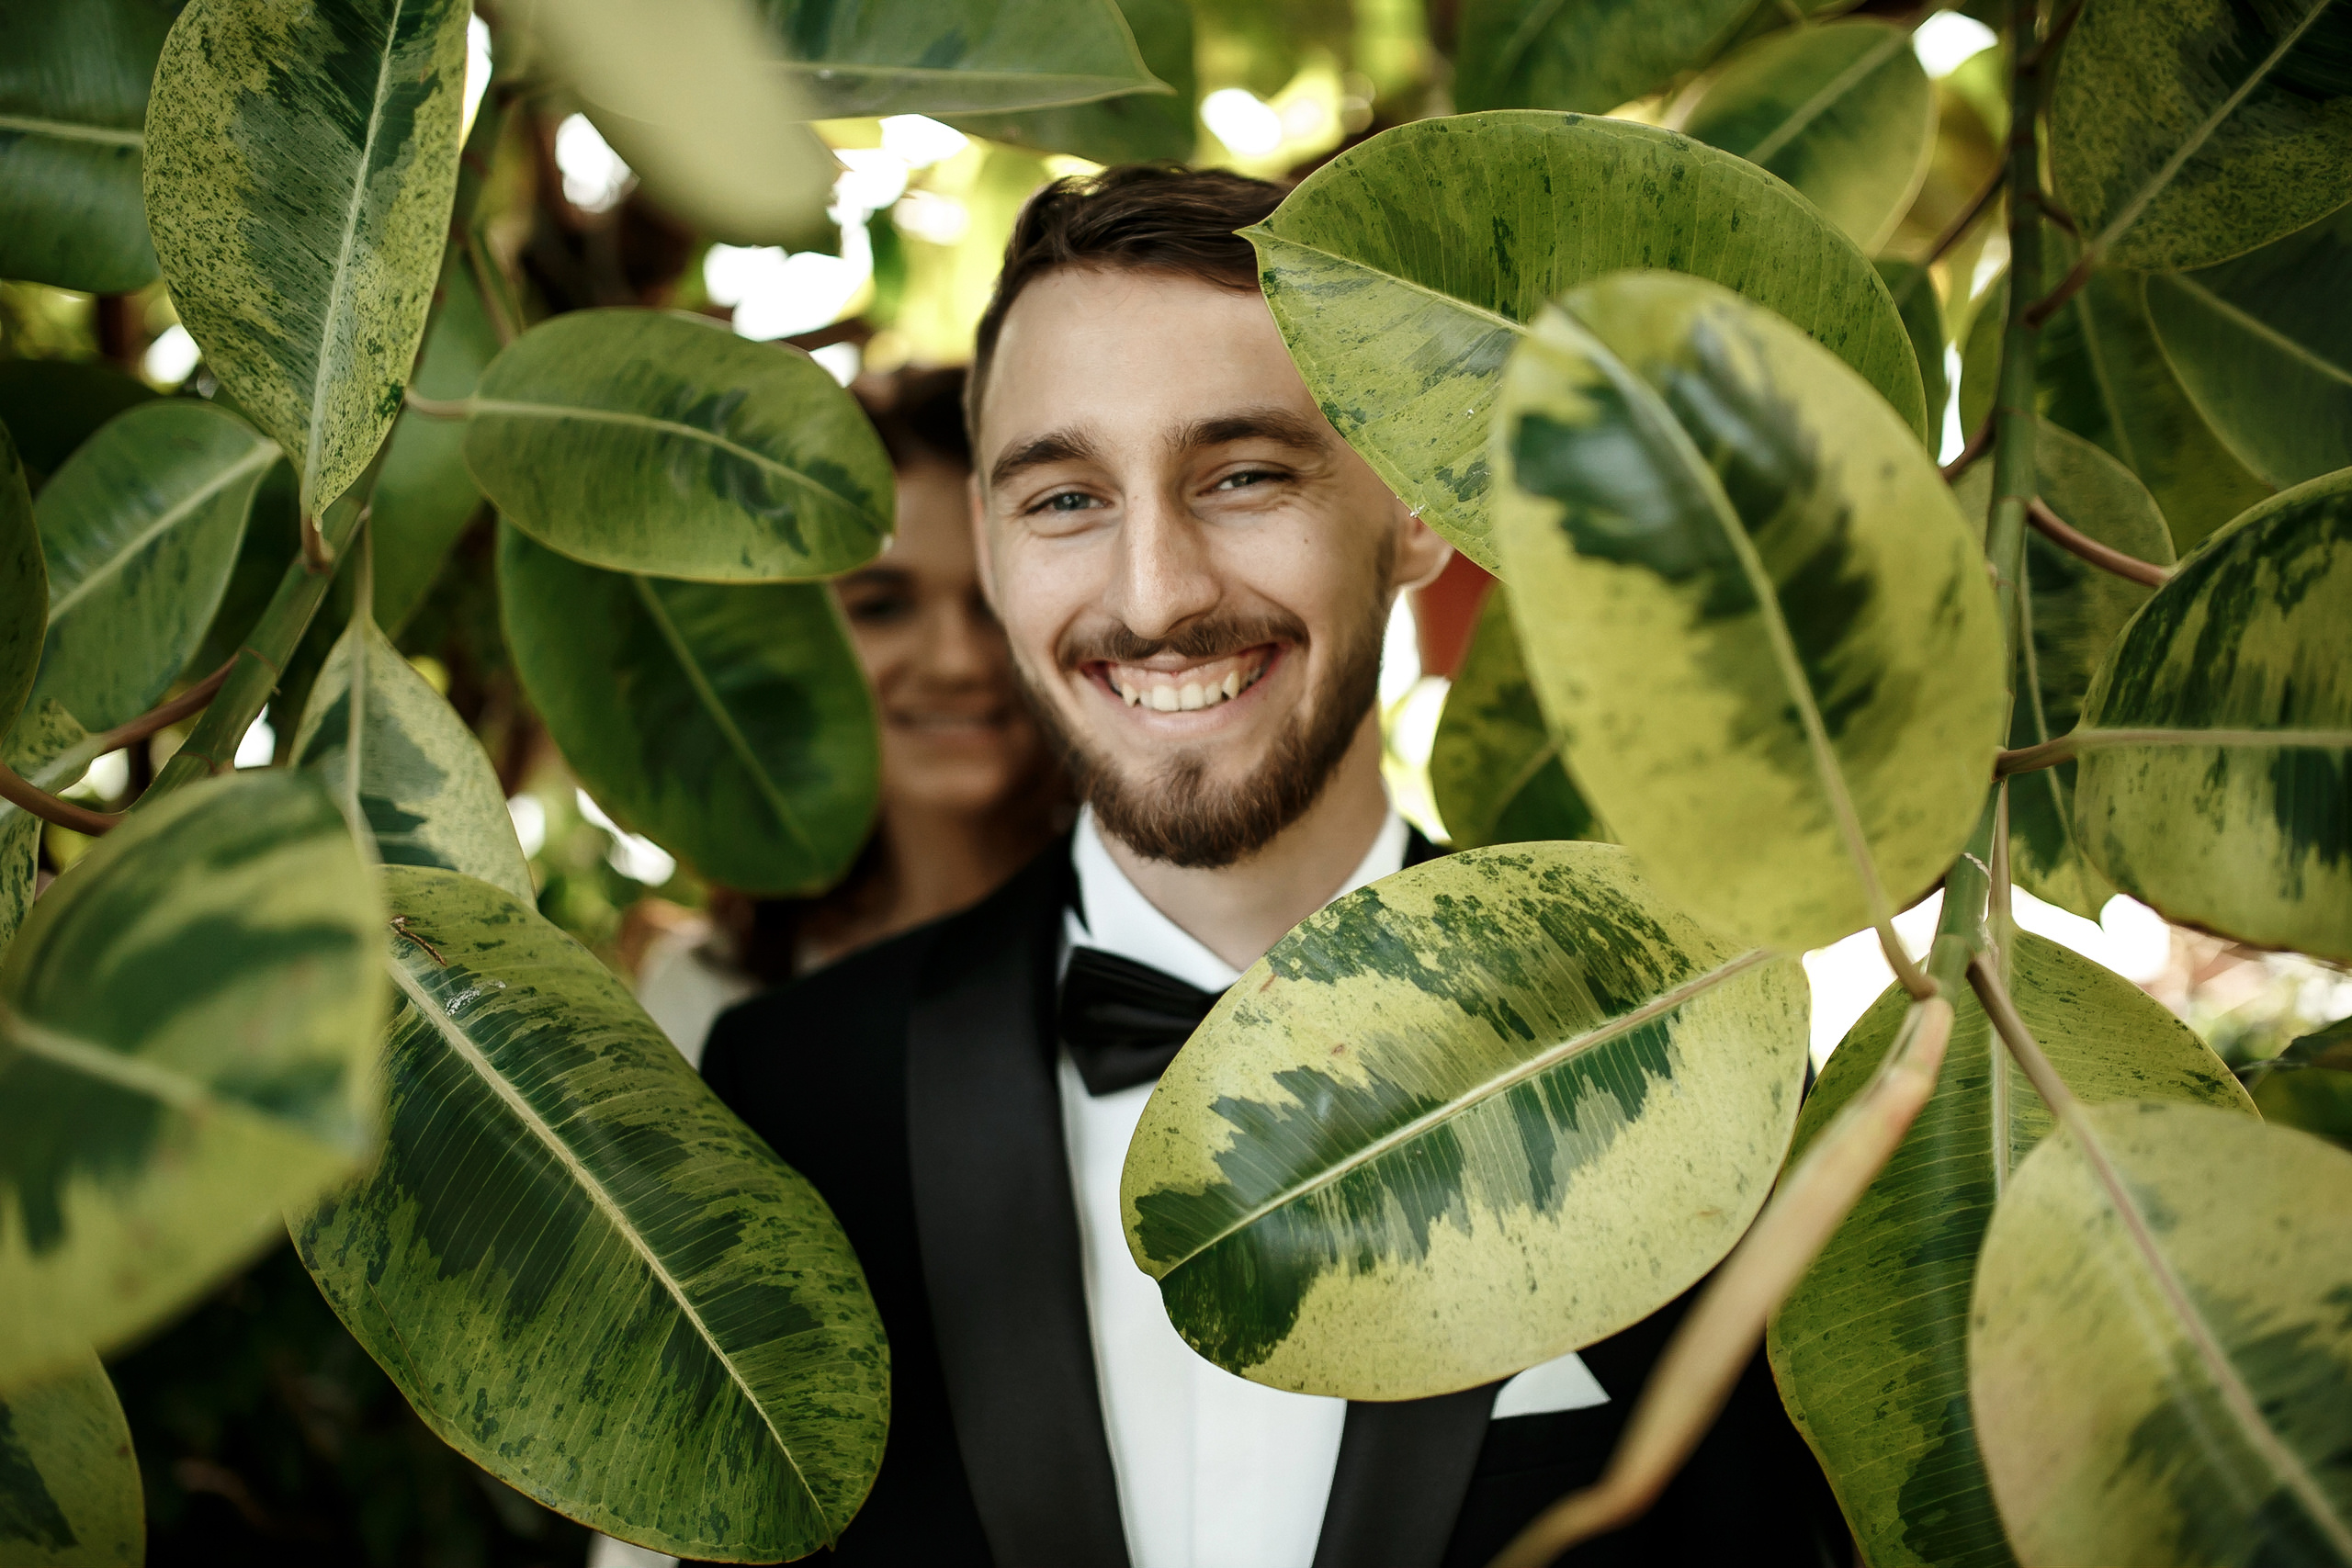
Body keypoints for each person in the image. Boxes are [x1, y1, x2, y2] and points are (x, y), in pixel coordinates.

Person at [700, 166, 1844, 1568]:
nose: (1155, 593)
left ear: (1419, 508)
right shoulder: (792, 1094)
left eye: (1243, 474)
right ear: (993, 555)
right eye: (1063, 498)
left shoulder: (1685, 1075)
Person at [633, 367, 1066, 1064]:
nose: (957, 661)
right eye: (882, 607)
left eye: (994, 601)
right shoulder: (710, 1000)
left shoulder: (1182, 932)